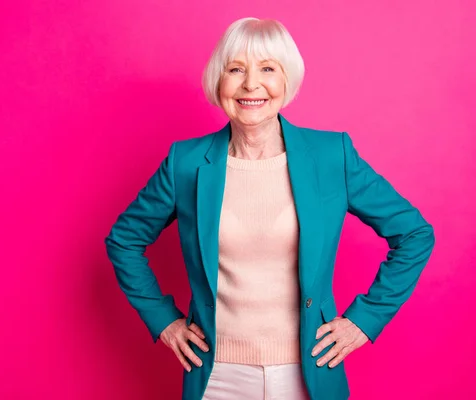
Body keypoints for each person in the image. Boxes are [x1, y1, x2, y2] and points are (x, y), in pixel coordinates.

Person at [104, 17, 435, 400]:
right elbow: (124, 240)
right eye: (236, 69)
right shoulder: (186, 163)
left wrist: (365, 320)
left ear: (286, 80)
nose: (250, 84)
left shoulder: (332, 156)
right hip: (217, 377)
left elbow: (414, 233)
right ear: (219, 80)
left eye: (267, 69)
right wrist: (164, 321)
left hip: (309, 372)